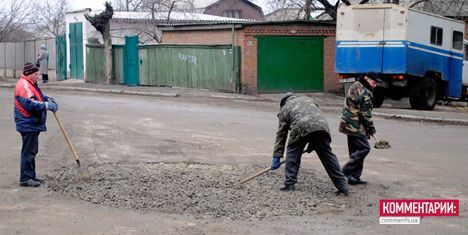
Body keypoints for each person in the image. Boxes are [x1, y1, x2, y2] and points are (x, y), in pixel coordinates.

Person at [271, 92, 349, 195]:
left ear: (283, 103)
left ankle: (289, 184)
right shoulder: (308, 99)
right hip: (322, 127)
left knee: (293, 153)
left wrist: (276, 156)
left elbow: (281, 135)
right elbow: (314, 118)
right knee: (327, 156)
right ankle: (342, 185)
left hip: (300, 127)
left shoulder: (284, 109)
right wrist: (314, 144)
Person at [14, 62, 58, 187]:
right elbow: (31, 104)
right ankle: (26, 178)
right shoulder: (24, 86)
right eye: (36, 74)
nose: (38, 76)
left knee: (32, 151)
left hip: (30, 123)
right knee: (28, 152)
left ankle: (31, 175)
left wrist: (46, 97)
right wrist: (47, 105)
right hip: (27, 123)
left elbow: (36, 96)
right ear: (29, 74)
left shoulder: (29, 83)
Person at [339, 71, 382, 185]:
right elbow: (365, 114)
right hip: (355, 125)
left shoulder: (356, 84)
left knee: (355, 150)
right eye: (374, 82)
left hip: (346, 122)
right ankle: (345, 172)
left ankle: (354, 176)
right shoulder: (366, 92)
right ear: (367, 78)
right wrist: (371, 129)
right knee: (364, 148)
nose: (375, 85)